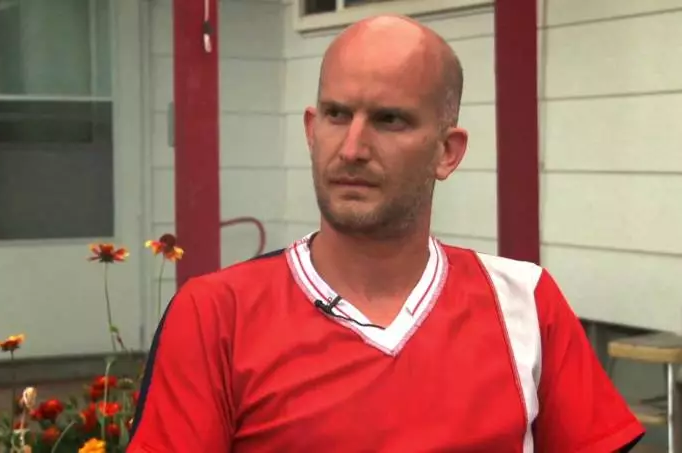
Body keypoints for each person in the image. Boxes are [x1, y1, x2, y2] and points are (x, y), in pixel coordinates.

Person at [127, 14, 645, 453]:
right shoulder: (217, 316)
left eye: (389, 120)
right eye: (336, 115)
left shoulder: (525, 302)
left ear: (447, 152)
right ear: (311, 130)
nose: (352, 148)